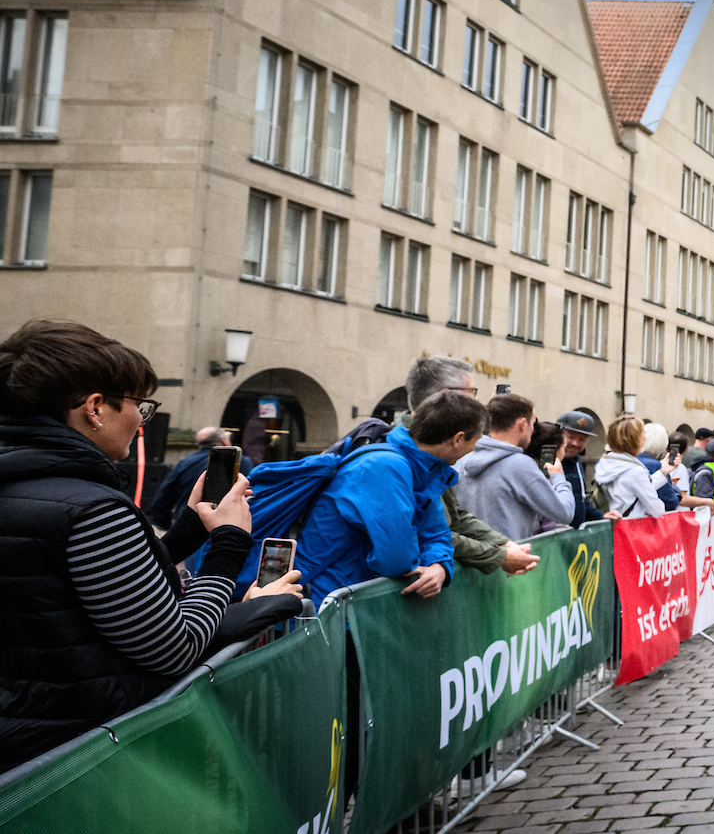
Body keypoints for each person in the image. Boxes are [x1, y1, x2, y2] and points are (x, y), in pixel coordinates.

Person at [0, 320, 304, 772]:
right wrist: (228, 547)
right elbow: (173, 646)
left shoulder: (33, 485)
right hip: (82, 754)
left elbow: (89, 588)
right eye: (139, 407)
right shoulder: (91, 509)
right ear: (95, 407)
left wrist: (188, 531)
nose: (142, 424)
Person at [294, 389, 486, 598]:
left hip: (350, 601)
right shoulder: (385, 467)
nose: (474, 448)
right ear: (458, 439)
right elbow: (397, 559)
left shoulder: (425, 470)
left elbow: (437, 534)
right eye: (475, 441)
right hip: (322, 605)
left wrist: (439, 567)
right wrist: (428, 560)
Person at [403, 358, 539, 576]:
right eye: (472, 392)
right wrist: (500, 555)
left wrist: (502, 545)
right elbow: (426, 530)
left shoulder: (430, 448)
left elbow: (453, 517)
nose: (477, 401)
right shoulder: (406, 455)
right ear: (447, 396)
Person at [455, 393, 575, 541]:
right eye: (532, 423)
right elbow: (564, 513)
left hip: (468, 559)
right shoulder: (520, 465)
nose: (533, 430)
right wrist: (558, 477)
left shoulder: (461, 459)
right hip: (509, 559)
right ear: (522, 424)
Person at [148, 426, 256, 531]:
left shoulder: (185, 462)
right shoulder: (241, 462)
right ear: (225, 441)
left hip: (187, 527)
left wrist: (169, 527)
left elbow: (163, 499)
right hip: (221, 528)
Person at [594, 416, 667, 518]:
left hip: (611, 525)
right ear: (635, 440)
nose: (645, 437)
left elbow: (628, 487)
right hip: (631, 527)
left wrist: (663, 473)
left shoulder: (605, 463)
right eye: (642, 433)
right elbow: (656, 510)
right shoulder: (635, 470)